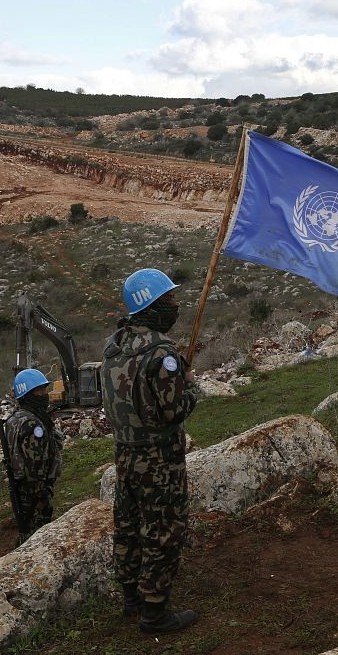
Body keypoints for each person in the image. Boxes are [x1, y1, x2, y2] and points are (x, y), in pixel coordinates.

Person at [101, 268, 198, 634]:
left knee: (127, 525)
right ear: (152, 305)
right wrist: (189, 385)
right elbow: (174, 410)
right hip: (159, 460)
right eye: (169, 300)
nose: (175, 306)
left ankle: (131, 598)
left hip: (124, 453)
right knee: (163, 530)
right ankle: (155, 613)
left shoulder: (114, 345)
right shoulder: (162, 353)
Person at [2, 368, 63, 545]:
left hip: (22, 485)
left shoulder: (15, 418)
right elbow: (35, 464)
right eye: (39, 390)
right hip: (34, 489)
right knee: (37, 535)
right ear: (27, 394)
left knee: (28, 529)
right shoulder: (32, 423)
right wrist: (42, 493)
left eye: (44, 389)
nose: (45, 394)